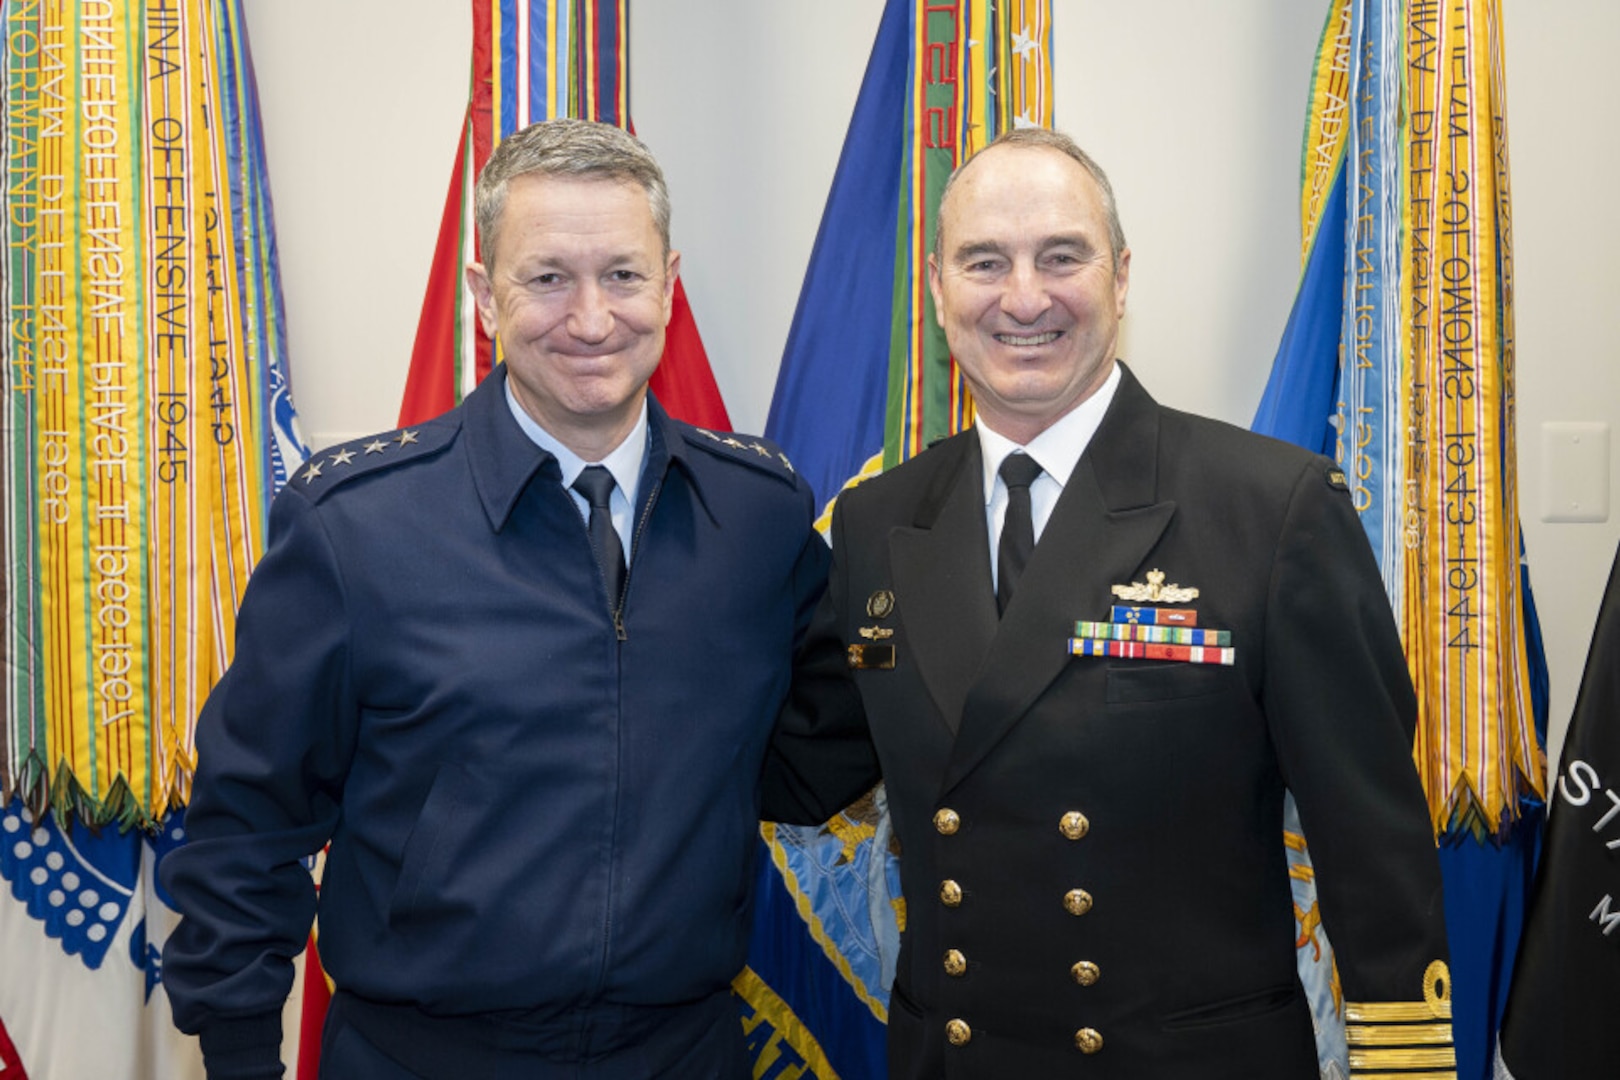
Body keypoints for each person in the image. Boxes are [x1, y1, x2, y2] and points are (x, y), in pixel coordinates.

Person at [764, 128, 1454, 1079]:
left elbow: (1373, 848)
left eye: (1062, 257)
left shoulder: (1269, 509)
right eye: (983, 262)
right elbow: (804, 761)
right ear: (935, 287)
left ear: (1121, 278)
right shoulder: (881, 522)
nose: (1023, 298)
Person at [161, 118, 827, 1080]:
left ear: (670, 284)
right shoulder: (358, 528)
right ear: (484, 296)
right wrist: (237, 1056)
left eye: (624, 276)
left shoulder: (760, 520)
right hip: (421, 1055)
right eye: (548, 277)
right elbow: (247, 828)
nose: (592, 319)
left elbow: (829, 736)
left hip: (684, 1054)